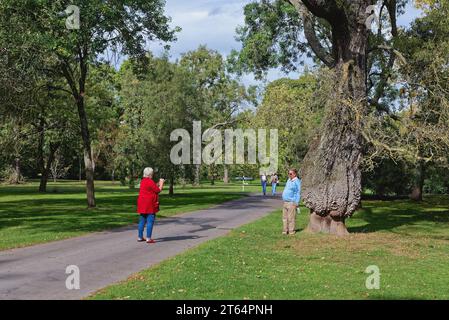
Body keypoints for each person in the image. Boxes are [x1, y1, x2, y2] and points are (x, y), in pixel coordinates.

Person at [137, 167, 165, 244]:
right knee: (150, 221)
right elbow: (158, 190)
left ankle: (140, 237)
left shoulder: (143, 181)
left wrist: (157, 184)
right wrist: (161, 183)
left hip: (142, 204)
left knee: (142, 220)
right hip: (149, 204)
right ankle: (148, 238)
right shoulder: (150, 181)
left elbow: (151, 187)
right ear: (150, 174)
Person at [281, 168, 301, 235]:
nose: (289, 175)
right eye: (288, 173)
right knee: (284, 218)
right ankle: (284, 231)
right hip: (285, 202)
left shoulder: (297, 181)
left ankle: (291, 231)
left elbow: (298, 192)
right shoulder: (289, 180)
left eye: (290, 174)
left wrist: (296, 202)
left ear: (295, 174)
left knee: (291, 218)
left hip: (291, 202)